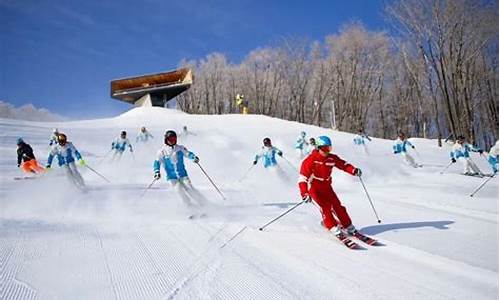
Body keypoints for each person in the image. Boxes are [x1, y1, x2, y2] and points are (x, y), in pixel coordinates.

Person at [298, 135, 362, 239]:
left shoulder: (331, 158)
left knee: (338, 206)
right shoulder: (310, 160)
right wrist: (304, 193)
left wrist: (353, 170)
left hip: (327, 187)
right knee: (325, 208)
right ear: (318, 148)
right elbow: (302, 178)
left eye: (329, 148)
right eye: (324, 148)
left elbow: (343, 165)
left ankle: (348, 226)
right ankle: (332, 227)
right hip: (314, 188)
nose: (327, 151)